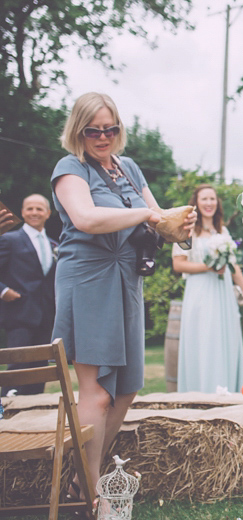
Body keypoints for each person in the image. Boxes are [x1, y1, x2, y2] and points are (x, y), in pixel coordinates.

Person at [51, 92, 195, 497]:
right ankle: (91, 489)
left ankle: (83, 476)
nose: (103, 136)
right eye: (93, 130)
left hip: (127, 279)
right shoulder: (70, 168)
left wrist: (180, 225)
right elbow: (86, 218)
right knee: (96, 393)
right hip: (88, 278)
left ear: (119, 129)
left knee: (128, 386)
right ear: (78, 131)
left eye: (110, 129)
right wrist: (148, 215)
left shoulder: (128, 168)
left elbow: (161, 221)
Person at [172, 184, 243, 394]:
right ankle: (203, 389)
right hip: (200, 291)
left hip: (223, 291)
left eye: (212, 199)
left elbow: (232, 264)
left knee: (226, 338)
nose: (209, 203)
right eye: (204, 199)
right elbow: (178, 264)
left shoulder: (222, 230)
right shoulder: (186, 230)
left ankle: (226, 389)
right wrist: (207, 267)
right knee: (204, 338)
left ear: (218, 203)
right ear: (196, 203)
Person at [0, 194, 57, 395]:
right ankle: (4, 412)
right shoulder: (9, 240)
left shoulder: (54, 245)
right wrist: (3, 291)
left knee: (39, 368)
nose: (34, 212)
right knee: (17, 366)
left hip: (46, 316)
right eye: (30, 208)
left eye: (39, 209)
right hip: (19, 313)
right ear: (23, 212)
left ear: (48, 213)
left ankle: (33, 410)